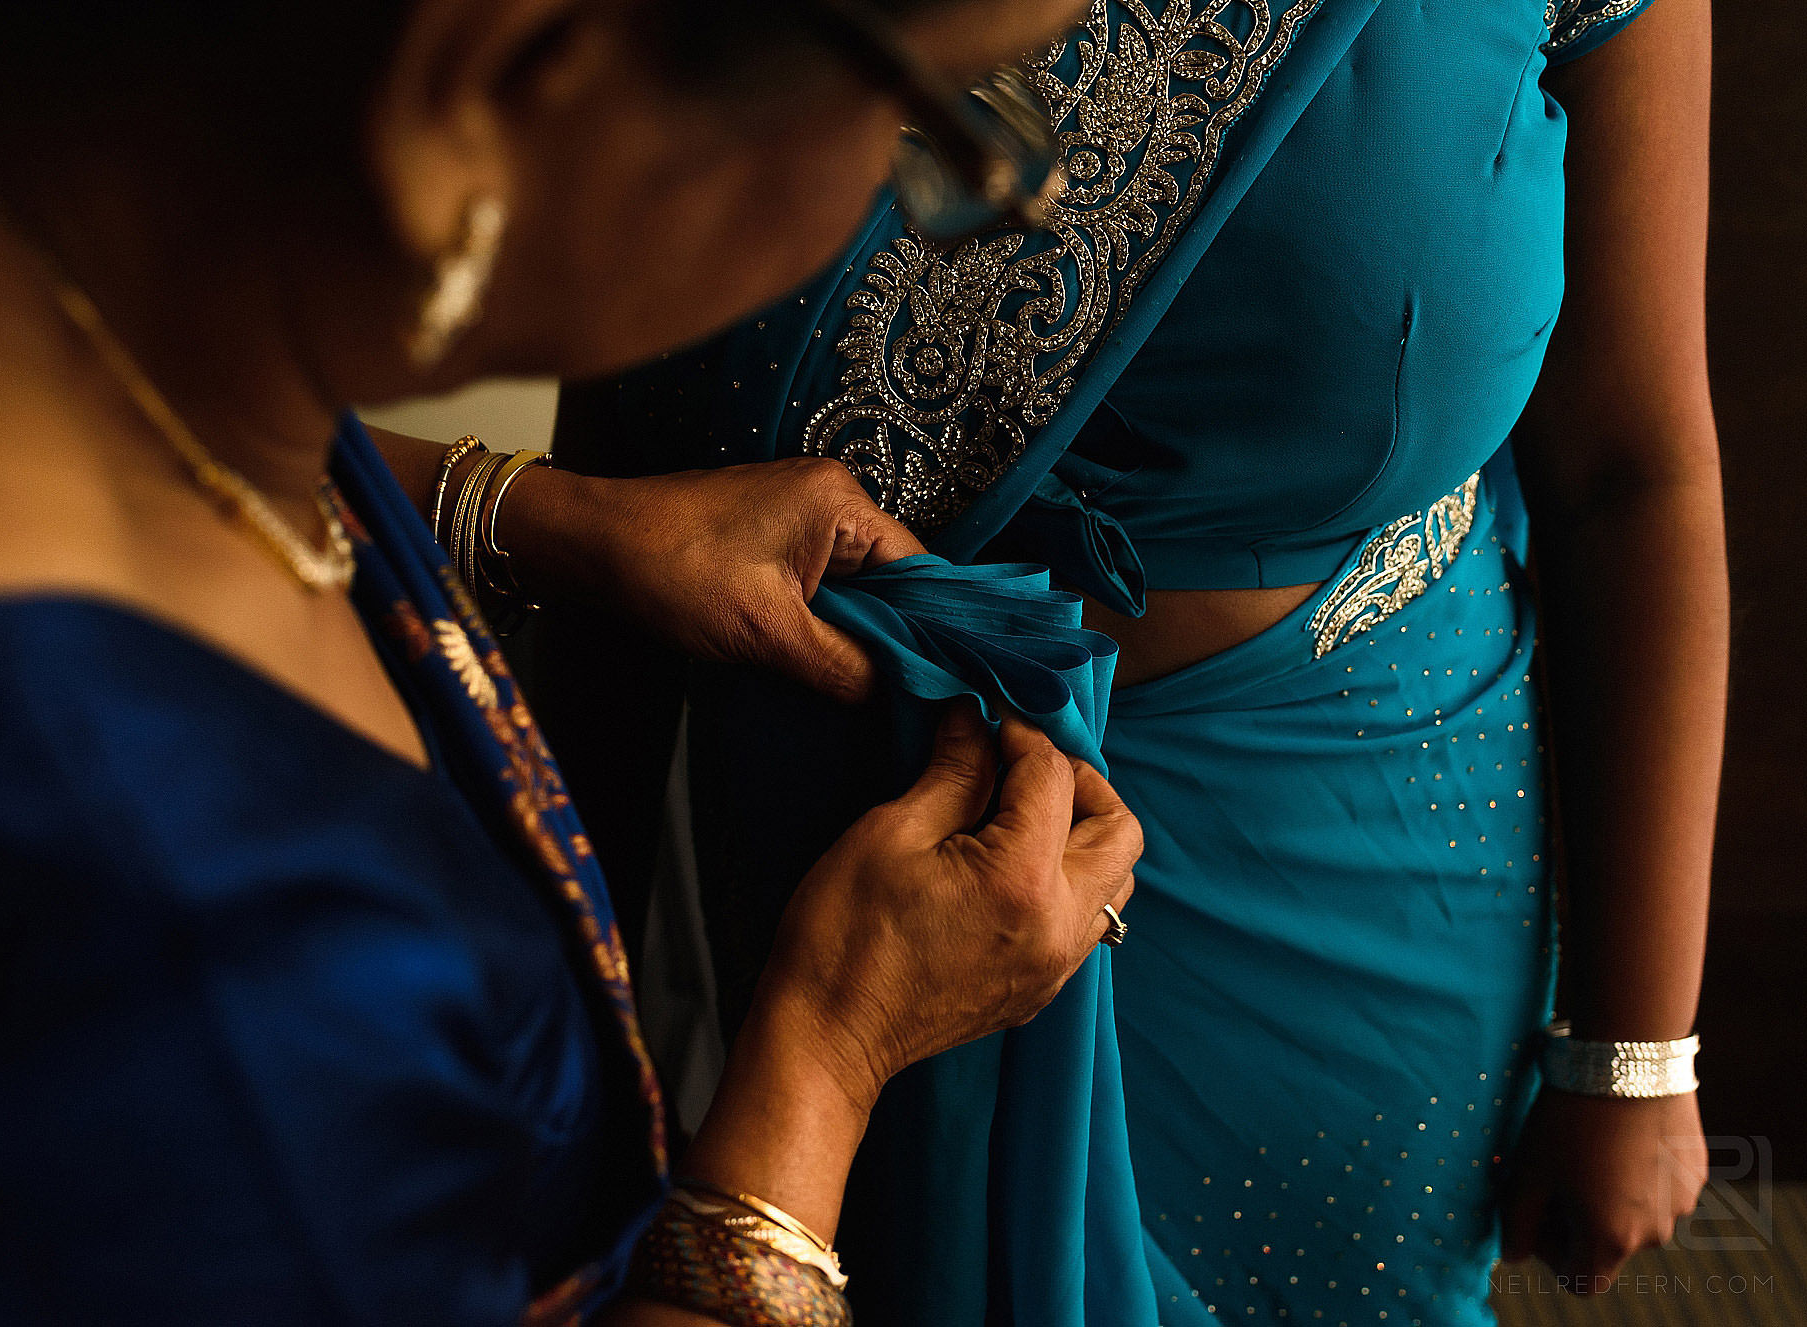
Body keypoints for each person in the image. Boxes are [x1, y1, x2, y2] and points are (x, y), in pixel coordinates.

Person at [0, 1, 1144, 1323]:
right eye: (931, 116)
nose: (906, 178)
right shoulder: (182, 985)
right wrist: (830, 1055)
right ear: (495, 75)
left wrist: (536, 518)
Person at [542, 0, 1728, 1320]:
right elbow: (631, 414)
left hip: (1354, 846)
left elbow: (1633, 472)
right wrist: (563, 942)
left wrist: (1636, 1049)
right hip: (847, 836)